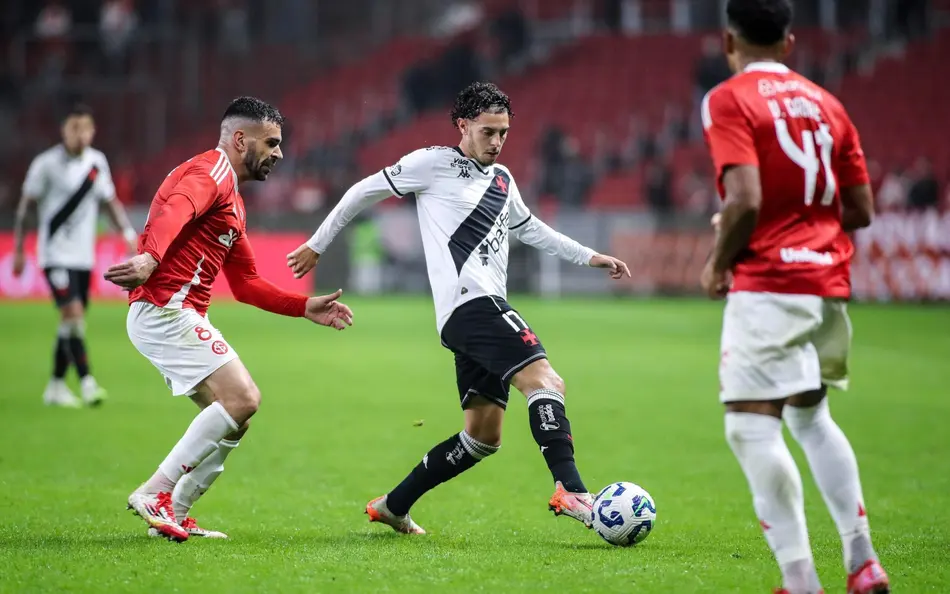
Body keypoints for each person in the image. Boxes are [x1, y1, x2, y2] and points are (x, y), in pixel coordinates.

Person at [287, 82, 631, 535]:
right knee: (546, 381)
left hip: (470, 316)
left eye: (503, 132)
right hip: (474, 306)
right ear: (463, 125)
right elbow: (362, 192)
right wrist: (317, 243)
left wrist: (590, 256)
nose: (496, 141)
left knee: (483, 436)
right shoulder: (433, 163)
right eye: (488, 131)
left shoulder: (502, 179)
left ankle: (394, 505)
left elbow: (531, 229)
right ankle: (571, 488)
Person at [699, 2, 889, 593]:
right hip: (826, 286)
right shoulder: (828, 104)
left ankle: (800, 580)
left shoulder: (728, 98)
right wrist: (801, 228)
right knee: (810, 415)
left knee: (750, 428)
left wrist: (718, 261)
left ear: (728, 41)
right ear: (789, 43)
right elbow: (860, 209)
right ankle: (862, 561)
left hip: (771, 286)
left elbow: (746, 198)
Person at [104, 97, 354, 542]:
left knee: (237, 415)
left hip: (173, 312)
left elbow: (246, 284)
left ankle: (177, 512)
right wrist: (151, 257)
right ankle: (156, 492)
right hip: (165, 308)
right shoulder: (210, 173)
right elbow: (177, 208)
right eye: (271, 143)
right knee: (243, 397)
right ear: (241, 140)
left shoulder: (232, 198)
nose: (279, 153)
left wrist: (304, 307)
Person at [13, 103, 138, 408]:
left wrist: (126, 232)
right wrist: (18, 249)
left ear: (93, 131)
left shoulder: (97, 162)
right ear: (64, 131)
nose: (80, 134)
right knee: (73, 314)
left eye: (85, 128)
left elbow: (109, 202)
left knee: (71, 322)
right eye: (74, 128)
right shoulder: (46, 164)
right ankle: (87, 381)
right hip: (54, 254)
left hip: (83, 256)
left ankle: (56, 385)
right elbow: (26, 206)